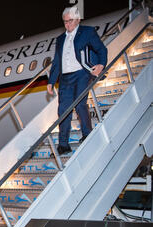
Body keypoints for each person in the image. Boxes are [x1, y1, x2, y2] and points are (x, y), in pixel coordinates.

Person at [47, 6, 108, 155]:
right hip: (65, 78)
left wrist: (101, 64)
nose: (67, 24)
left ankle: (87, 134)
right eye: (65, 22)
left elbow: (101, 49)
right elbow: (56, 62)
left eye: (70, 21)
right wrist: (51, 81)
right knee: (63, 110)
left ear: (78, 19)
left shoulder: (87, 32)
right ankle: (63, 144)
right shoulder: (60, 39)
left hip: (82, 73)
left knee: (80, 103)